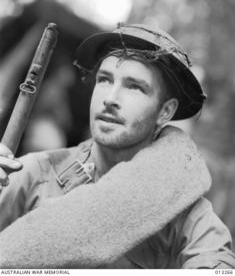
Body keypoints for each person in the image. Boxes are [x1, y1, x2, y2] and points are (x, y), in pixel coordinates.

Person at [0, 23, 234, 269]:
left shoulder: (181, 206)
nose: (110, 99)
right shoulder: (33, 174)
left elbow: (217, 262)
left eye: (134, 87)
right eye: (104, 80)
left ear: (165, 111)